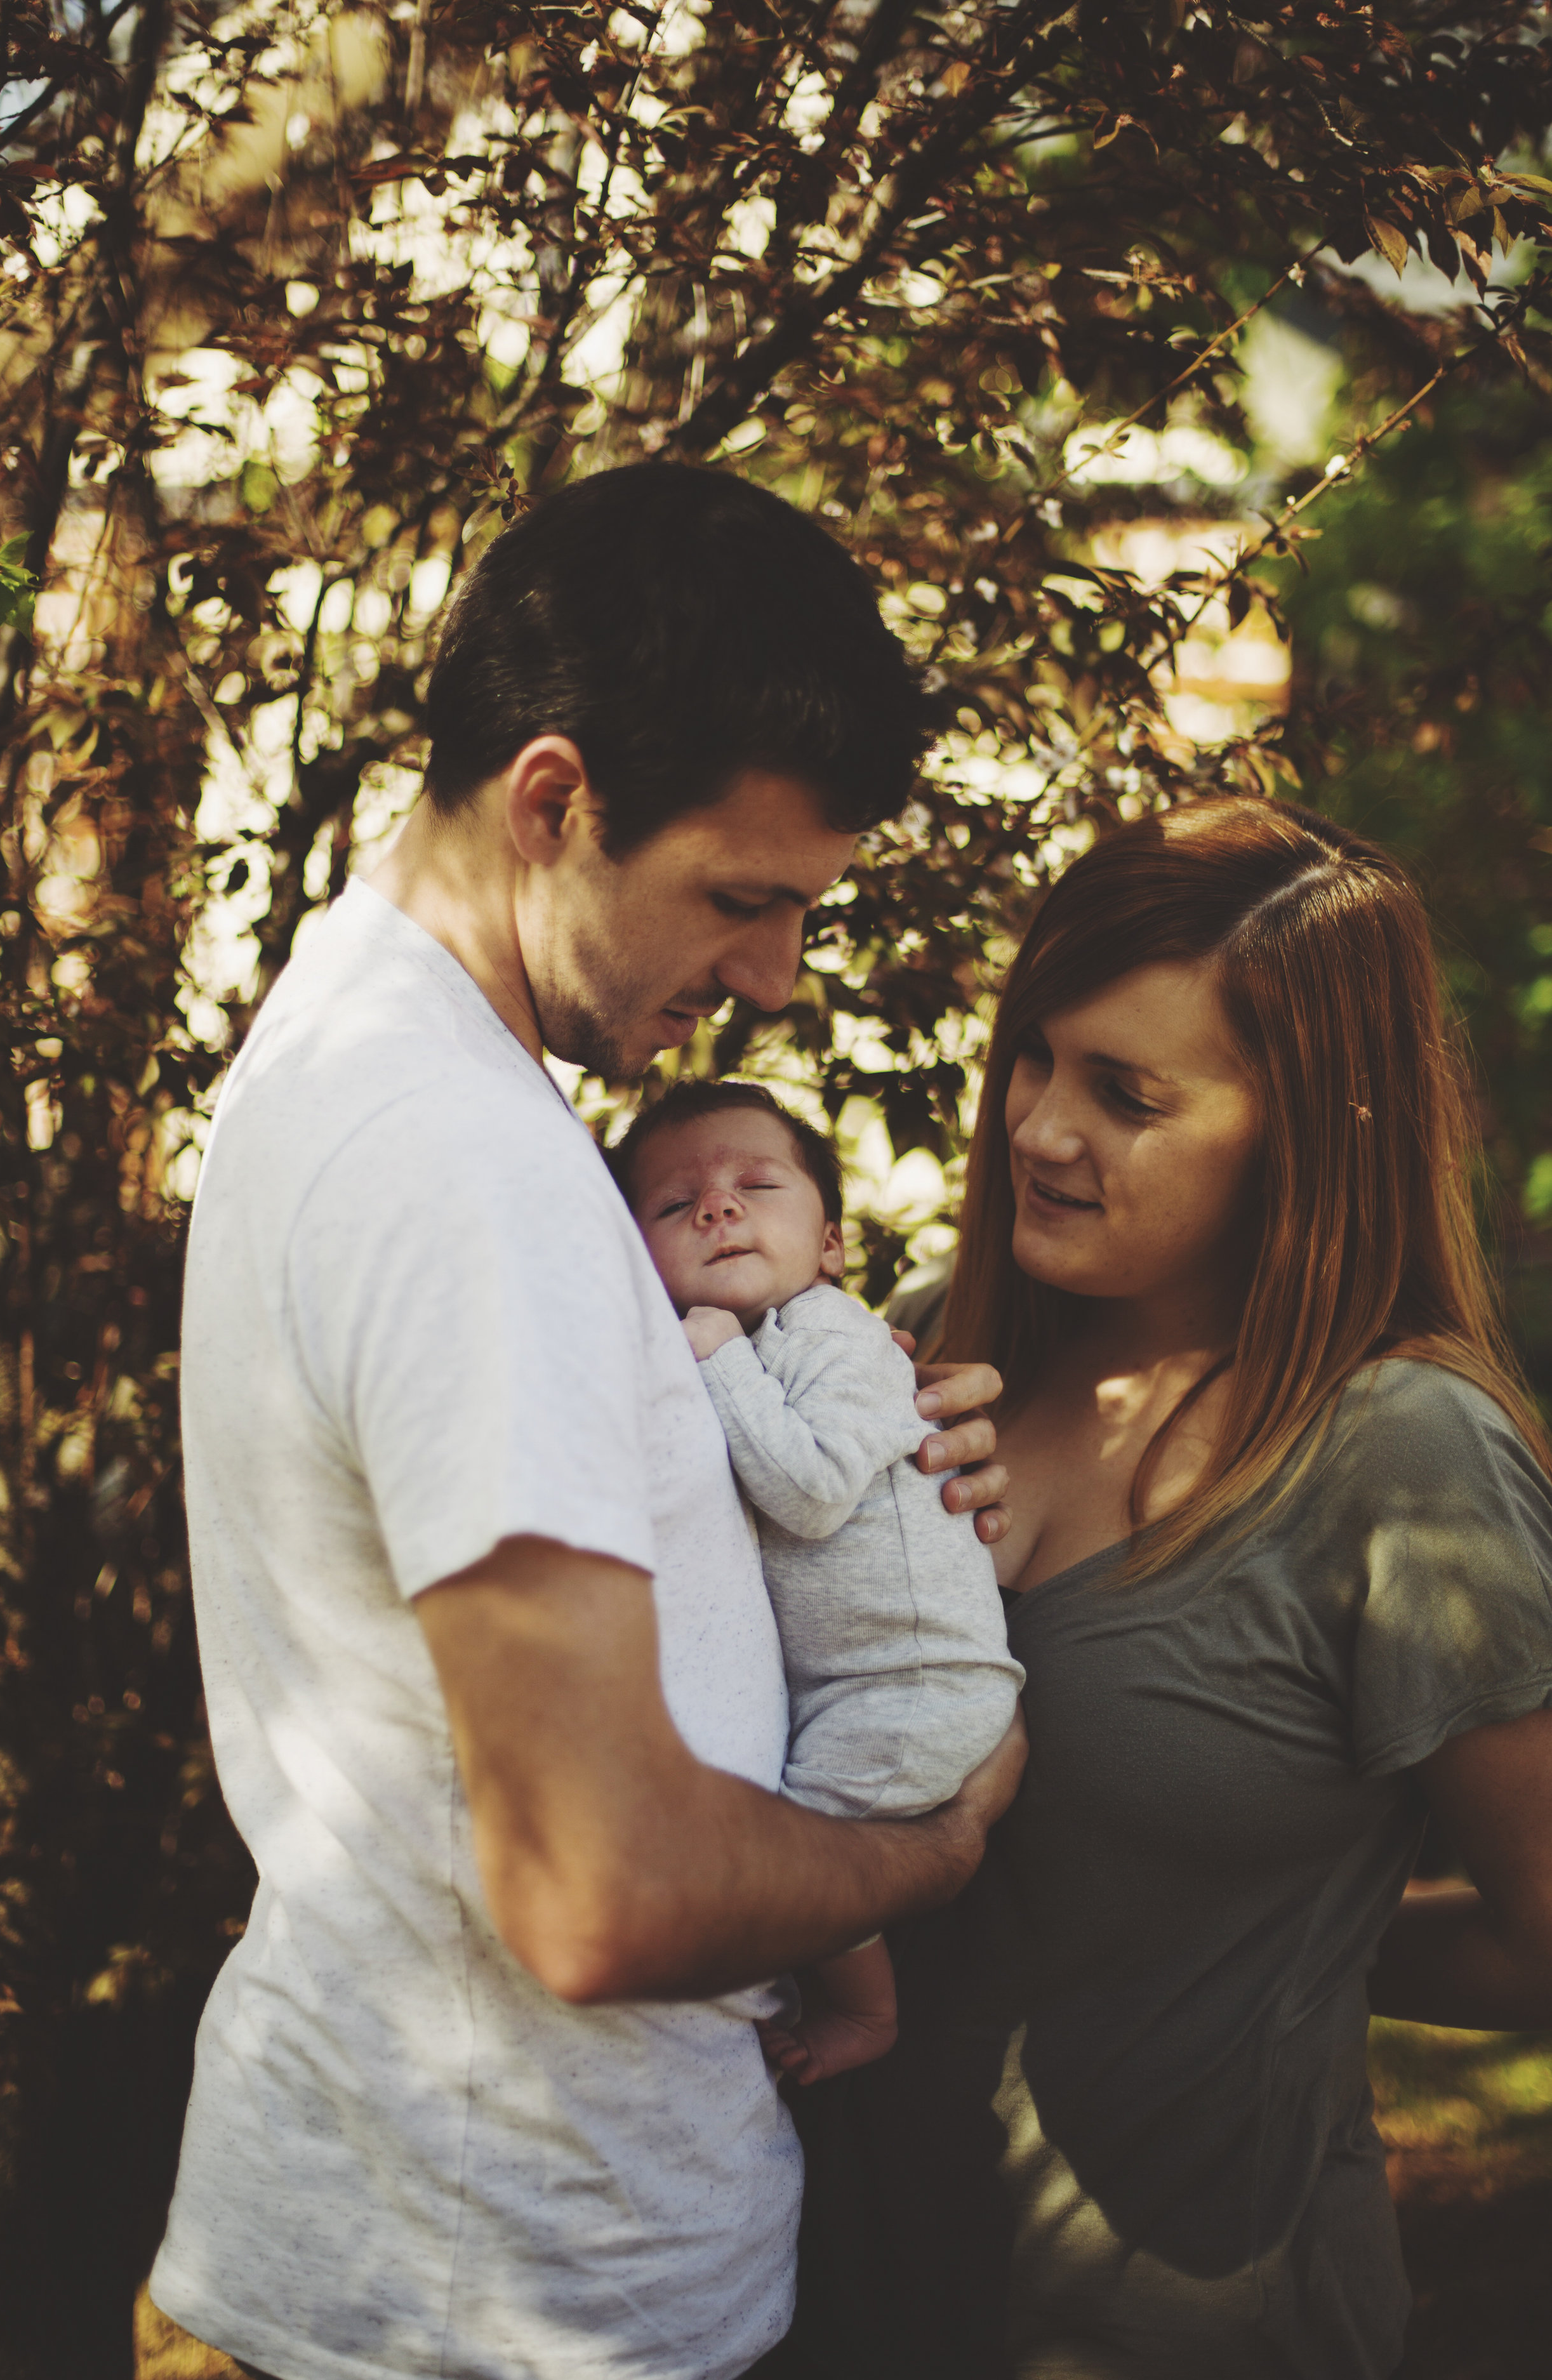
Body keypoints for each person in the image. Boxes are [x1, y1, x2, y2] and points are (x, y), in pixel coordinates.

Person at [147, 463, 1026, 2380]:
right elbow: (600, 1890)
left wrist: (861, 1434)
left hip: (472, 2254)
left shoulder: (382, 1048)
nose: (773, 977)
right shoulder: (464, 1161)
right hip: (479, 2307)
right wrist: (929, 1851)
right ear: (552, 798)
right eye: (742, 898)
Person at [786, 796, 1552, 2380]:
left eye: (1126, 1094)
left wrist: (1287, 1954)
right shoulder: (929, 1353)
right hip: (829, 2289)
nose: (1037, 1126)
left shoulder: (1398, 1453)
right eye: (1036, 1057)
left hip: (1184, 2322)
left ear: (1305, 1125)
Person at [609, 1078, 1025, 2085]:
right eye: (676, 1205)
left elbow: (811, 1489)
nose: (719, 1207)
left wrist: (716, 1357)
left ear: (831, 1245)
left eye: (757, 1183)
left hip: (915, 1689)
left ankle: (865, 2013)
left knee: (802, 1857)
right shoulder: (742, 1355)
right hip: (869, 1692)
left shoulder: (838, 1336)